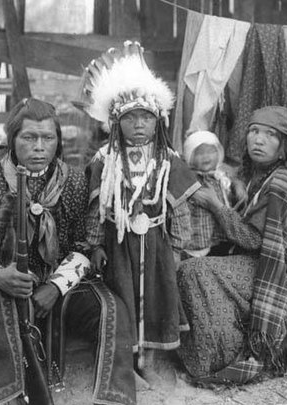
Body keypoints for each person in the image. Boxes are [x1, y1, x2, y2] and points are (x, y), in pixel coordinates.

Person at [0, 98, 157, 405]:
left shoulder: (74, 182)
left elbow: (82, 245)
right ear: (12, 140)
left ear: (58, 142)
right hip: (5, 287)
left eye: (47, 138)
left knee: (110, 306)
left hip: (60, 289)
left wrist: (55, 287)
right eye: (29, 138)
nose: (39, 147)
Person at [177, 105, 287, 384]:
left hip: (279, 277)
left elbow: (252, 239)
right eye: (254, 131)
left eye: (270, 135)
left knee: (192, 271)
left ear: (285, 146)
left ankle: (218, 357)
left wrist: (216, 205)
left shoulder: (281, 182)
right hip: (271, 263)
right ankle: (222, 347)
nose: (258, 139)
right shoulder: (267, 173)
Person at [79, 42, 199, 377]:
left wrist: (177, 246)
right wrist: (96, 246)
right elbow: (96, 209)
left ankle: (155, 358)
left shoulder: (167, 160)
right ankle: (127, 360)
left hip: (158, 243)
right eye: (129, 117)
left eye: (145, 116)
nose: (138, 124)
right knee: (123, 298)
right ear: (115, 122)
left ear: (158, 119)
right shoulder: (105, 160)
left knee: (160, 296)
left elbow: (181, 208)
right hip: (120, 245)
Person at [181, 130, 246, 258]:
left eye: (211, 151)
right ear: (189, 156)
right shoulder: (188, 179)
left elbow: (230, 190)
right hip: (198, 241)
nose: (206, 157)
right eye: (199, 153)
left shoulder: (221, 175)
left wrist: (237, 186)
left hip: (220, 237)